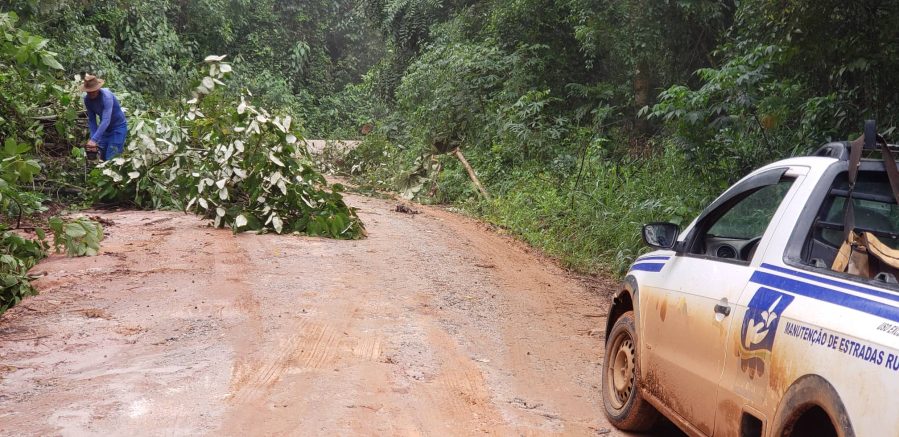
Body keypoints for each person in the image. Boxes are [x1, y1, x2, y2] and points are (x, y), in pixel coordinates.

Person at [82, 74, 127, 161]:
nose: (90, 93)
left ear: (98, 89)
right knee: (101, 157)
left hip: (118, 128)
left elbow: (106, 119)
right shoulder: (87, 100)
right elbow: (92, 120)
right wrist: (93, 138)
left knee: (111, 158)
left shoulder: (107, 97)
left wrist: (94, 139)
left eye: (92, 91)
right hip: (105, 130)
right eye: (88, 91)